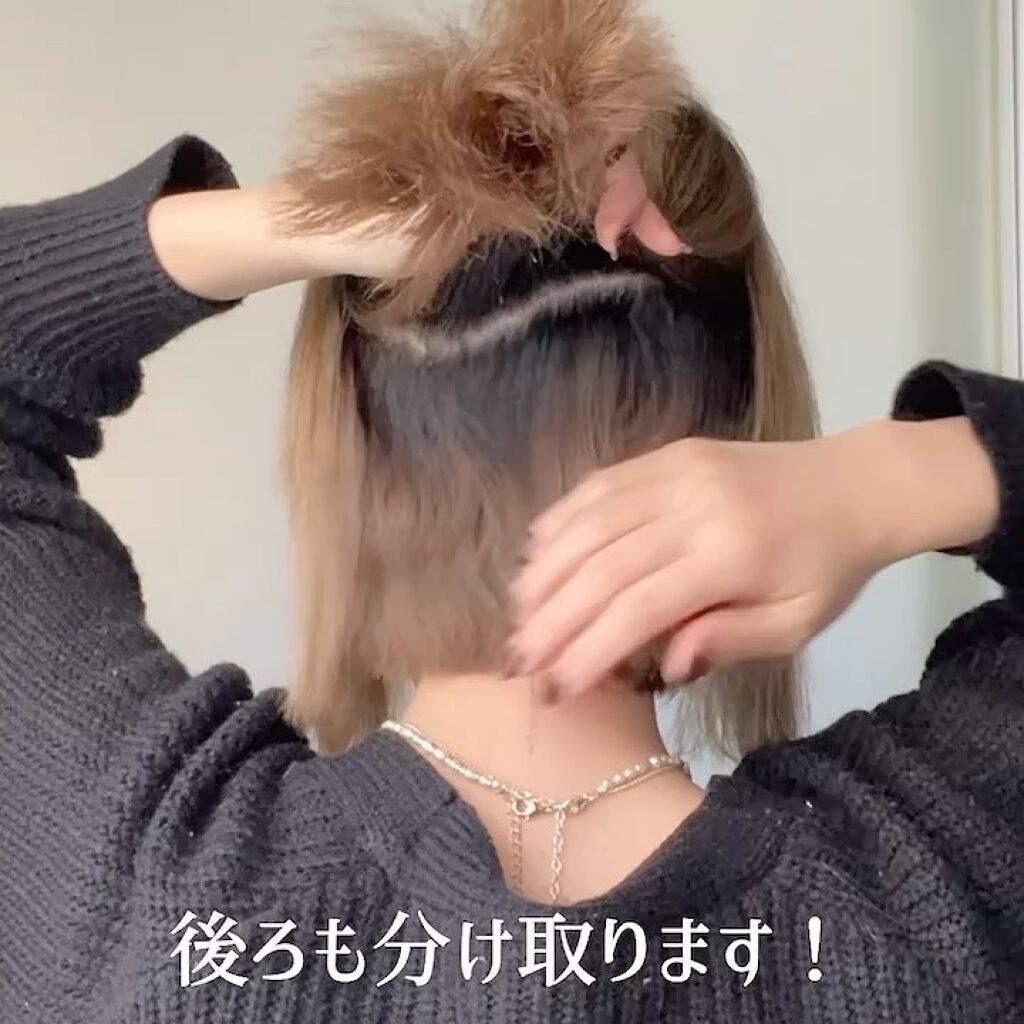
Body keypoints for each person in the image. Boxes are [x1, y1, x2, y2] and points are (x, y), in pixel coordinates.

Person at [1, 6, 1022, 1024]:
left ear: (348, 447)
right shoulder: (922, 891)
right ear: (744, 436)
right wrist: (895, 475)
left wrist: (303, 218)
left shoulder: (165, 884)